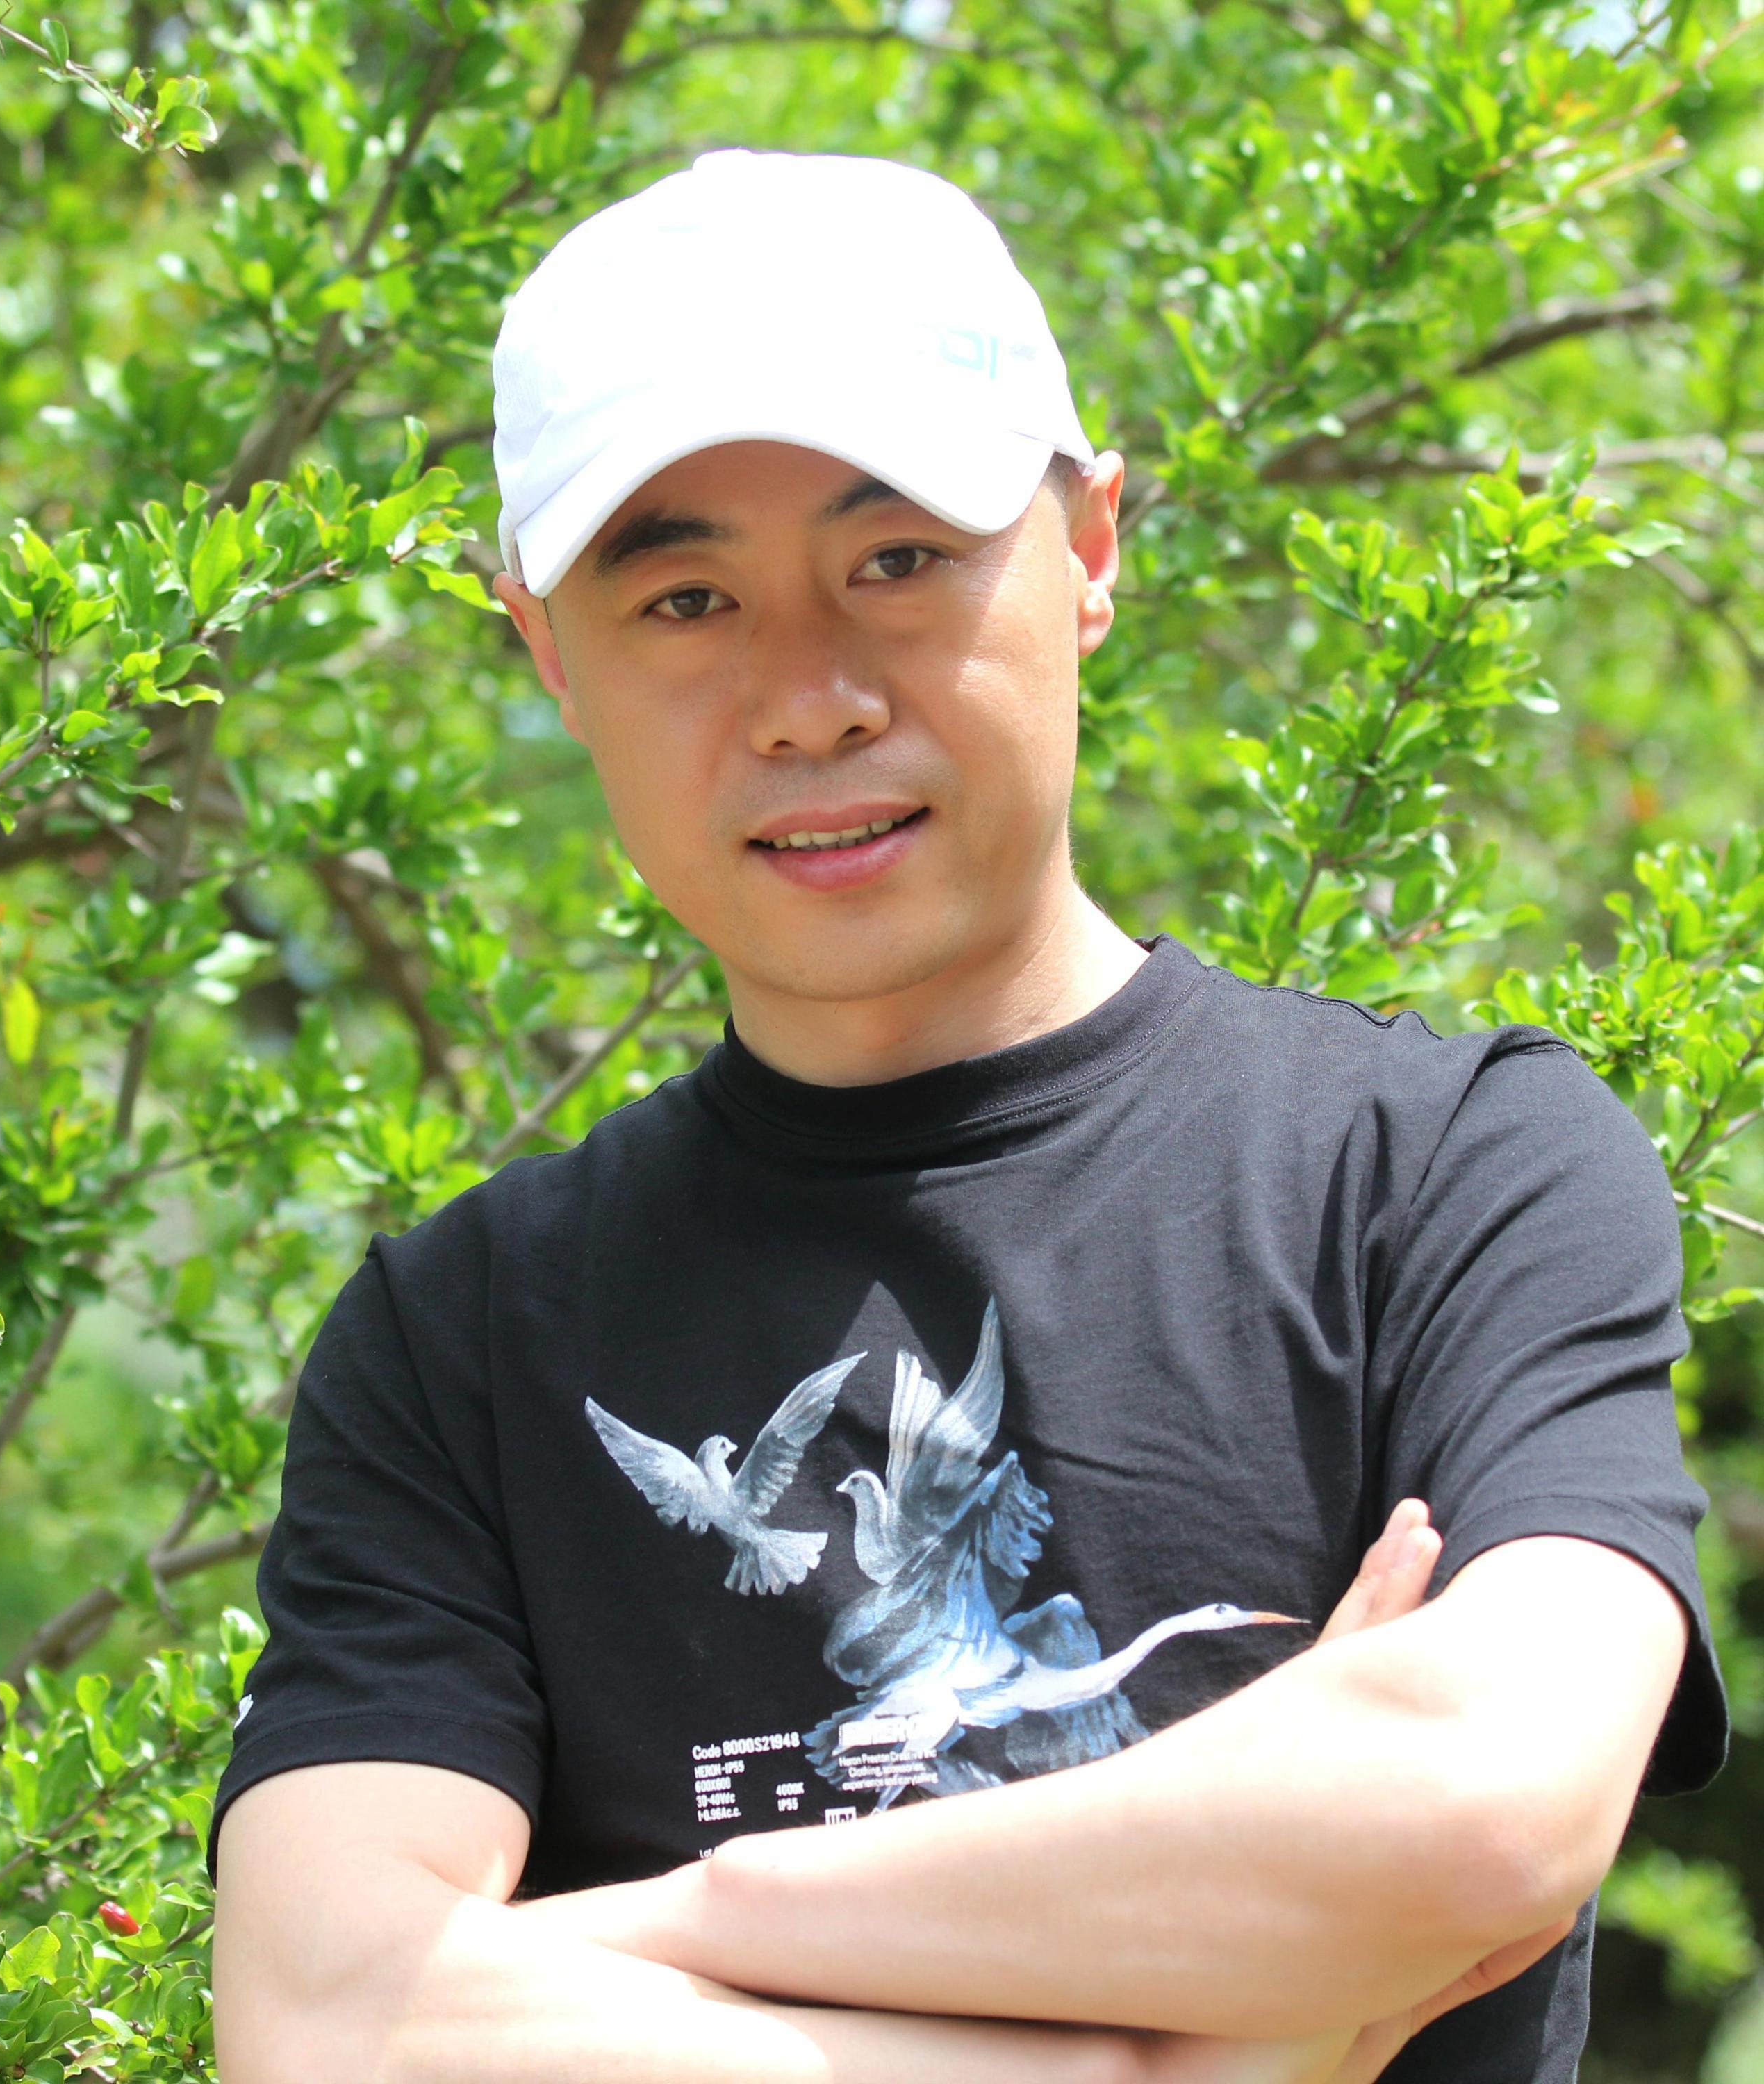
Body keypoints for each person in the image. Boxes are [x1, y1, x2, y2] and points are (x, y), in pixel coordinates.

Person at [208, 149, 1726, 2083]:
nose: (808, 699)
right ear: (548, 655)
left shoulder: (1446, 1173)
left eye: (900, 561)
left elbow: (1487, 1810)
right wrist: (1174, 2054)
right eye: (686, 597)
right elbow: (320, 2029)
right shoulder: (457, 1343)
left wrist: (657, 1938)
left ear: (1091, 549)